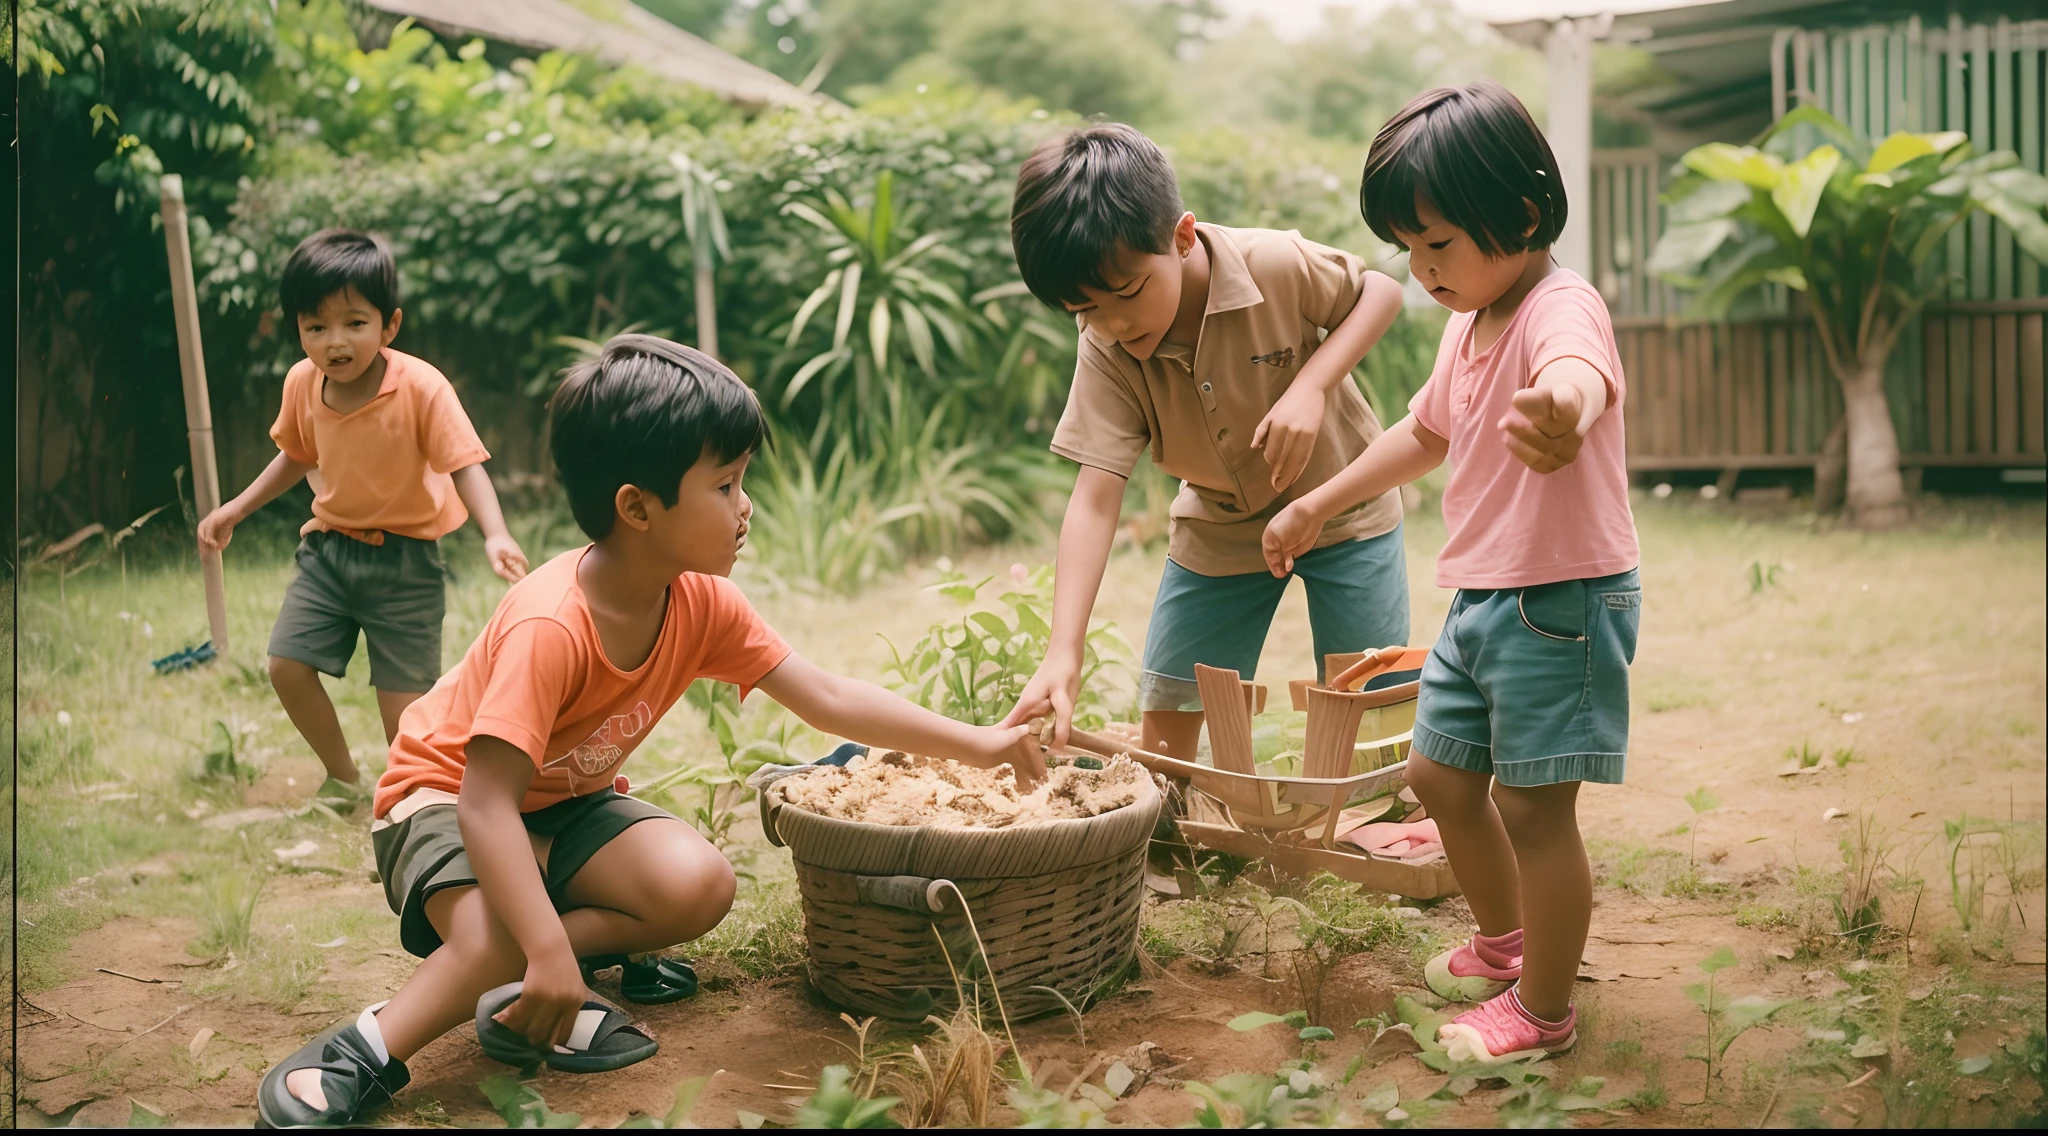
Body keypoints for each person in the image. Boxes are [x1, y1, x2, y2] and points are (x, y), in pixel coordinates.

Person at [254, 335, 1046, 1128]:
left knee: (701, 883)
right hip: (442, 798)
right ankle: (366, 1048)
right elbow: (484, 805)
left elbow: (829, 696)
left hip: (556, 812)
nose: (746, 507)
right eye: (726, 485)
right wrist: (544, 946)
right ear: (637, 508)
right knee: (501, 937)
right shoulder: (550, 625)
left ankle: (538, 972)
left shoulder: (701, 601)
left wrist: (985, 742)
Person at [1262, 81, 1641, 1063]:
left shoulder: (1560, 305)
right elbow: (1424, 429)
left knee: (1533, 806)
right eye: (1408, 250)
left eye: (1437, 243)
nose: (1423, 268)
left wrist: (1559, 406)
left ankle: (1542, 1008)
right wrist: (1318, 498)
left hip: (1558, 601)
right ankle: (1506, 943)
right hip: (1481, 598)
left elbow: (1578, 370)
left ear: (1518, 214)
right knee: (1436, 775)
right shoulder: (1464, 319)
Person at [998, 123, 1410, 758]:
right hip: (1220, 524)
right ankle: (1183, 822)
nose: (1112, 323)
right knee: (1169, 728)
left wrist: (1312, 385)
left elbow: (1380, 291)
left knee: (1372, 710)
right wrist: (1063, 651)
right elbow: (1095, 497)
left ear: (1181, 237)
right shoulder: (1106, 347)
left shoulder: (1272, 262)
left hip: (1344, 508)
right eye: (1084, 310)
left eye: (1127, 292)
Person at [198, 230, 529, 808]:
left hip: (406, 566)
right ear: (298, 328)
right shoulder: (302, 383)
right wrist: (236, 508)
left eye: (355, 322)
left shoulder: (422, 388)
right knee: (286, 666)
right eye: (316, 326)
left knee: (403, 714)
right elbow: (298, 454)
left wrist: (495, 532)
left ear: (389, 325)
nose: (335, 342)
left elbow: (465, 464)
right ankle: (343, 778)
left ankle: (409, 806)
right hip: (328, 552)